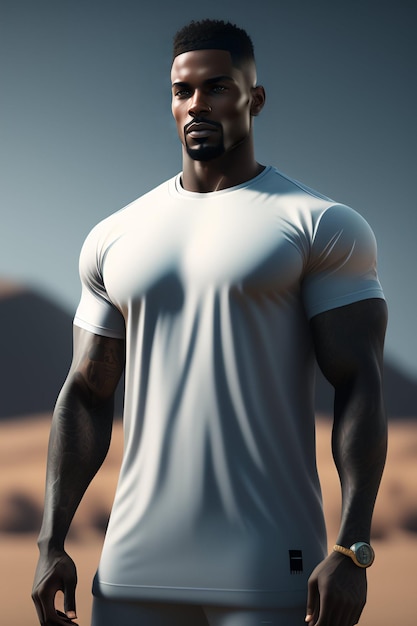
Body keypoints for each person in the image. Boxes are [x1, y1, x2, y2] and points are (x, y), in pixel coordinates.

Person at [32, 18, 388, 626]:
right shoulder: (114, 236)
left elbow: (359, 383)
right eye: (182, 91)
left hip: (271, 570)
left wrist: (352, 550)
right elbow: (87, 391)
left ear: (256, 98)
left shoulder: (321, 224)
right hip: (129, 576)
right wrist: (50, 541)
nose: (197, 104)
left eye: (218, 87)